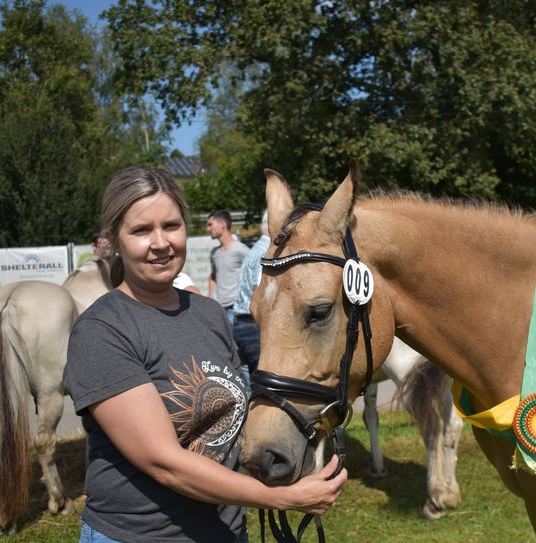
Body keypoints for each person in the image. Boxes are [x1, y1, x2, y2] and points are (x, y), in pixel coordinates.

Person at [62, 167, 346, 543]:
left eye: (171, 225)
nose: (160, 242)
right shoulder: (103, 330)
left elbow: (232, 425)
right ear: (115, 238)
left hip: (225, 532)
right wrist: (279, 497)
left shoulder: (208, 313)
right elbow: (165, 463)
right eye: (141, 231)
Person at [231, 210, 271, 389]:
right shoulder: (268, 252)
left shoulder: (255, 249)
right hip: (253, 325)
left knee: (248, 387)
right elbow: (259, 290)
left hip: (240, 322)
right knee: (261, 388)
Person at [207, 210, 249, 323]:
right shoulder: (214, 253)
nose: (208, 229)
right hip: (217, 309)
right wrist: (211, 300)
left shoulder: (241, 250)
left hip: (235, 308)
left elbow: (253, 274)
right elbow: (213, 276)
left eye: (210, 224)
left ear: (222, 225)